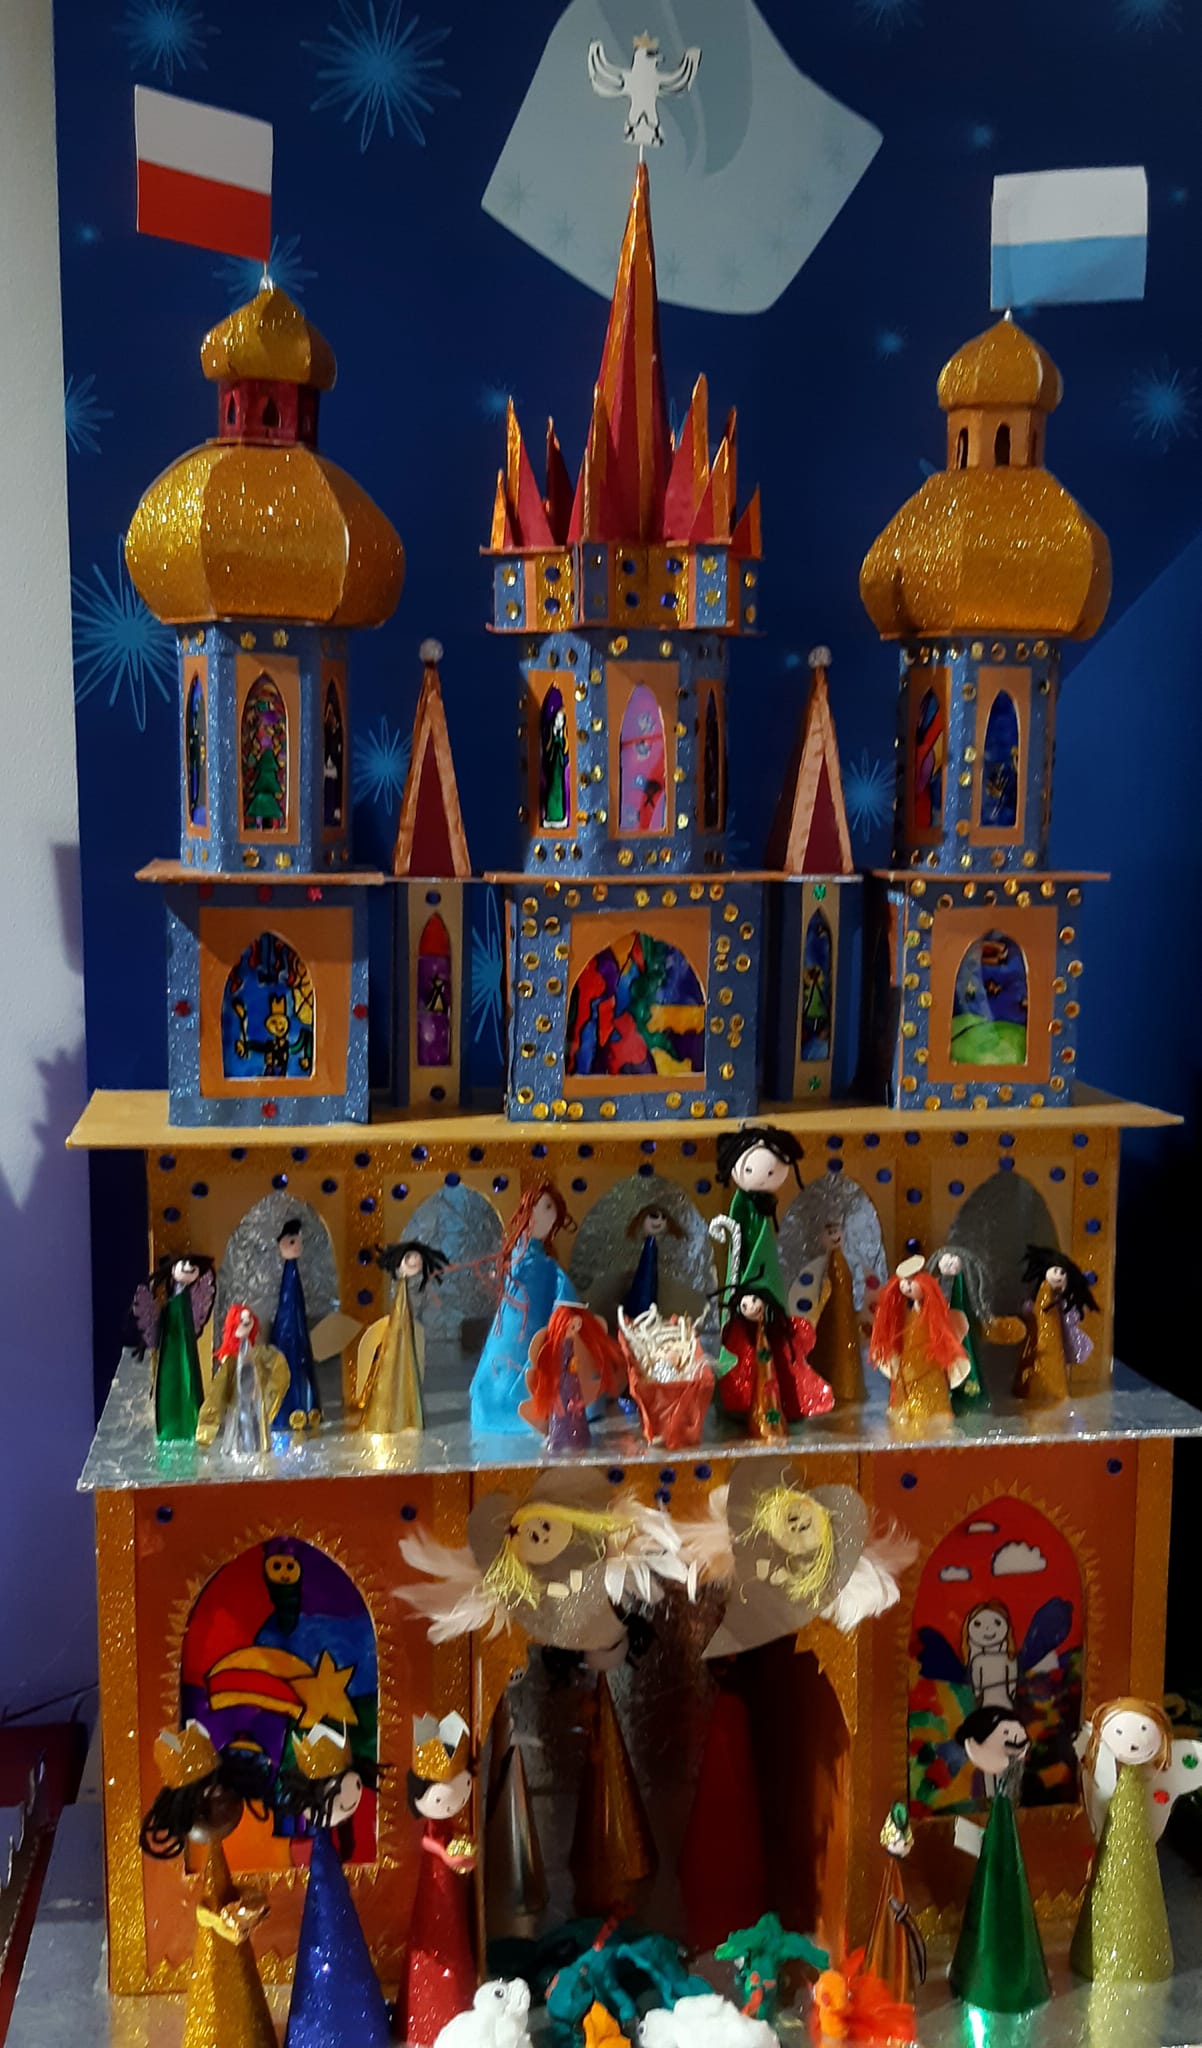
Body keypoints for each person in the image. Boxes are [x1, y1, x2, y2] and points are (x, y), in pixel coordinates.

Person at [948, 1706, 1050, 2014]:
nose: (1016, 1737)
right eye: (1006, 1732)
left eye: (1015, 1730)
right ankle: (986, 1979)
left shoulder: (1011, 1787)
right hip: (980, 1977)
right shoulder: (994, 1788)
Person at [469, 1184, 575, 1433]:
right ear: (527, 1210)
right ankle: (506, 1401)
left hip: (534, 1327)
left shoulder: (544, 1264)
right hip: (513, 1330)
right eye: (537, 1207)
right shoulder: (522, 1257)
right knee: (508, 1361)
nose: (542, 1215)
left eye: (549, 1208)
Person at [400, 1713, 477, 2047]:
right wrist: (445, 1855)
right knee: (434, 1932)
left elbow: (452, 1831)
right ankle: (427, 2014)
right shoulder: (431, 1825)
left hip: (448, 1879)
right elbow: (426, 1840)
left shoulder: (449, 1822)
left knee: (455, 1927)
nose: (454, 1802)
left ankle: (458, 2001)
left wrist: (464, 1849)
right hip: (435, 1877)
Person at [352, 1240, 447, 1434]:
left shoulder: (411, 1292)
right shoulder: (399, 1292)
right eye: (410, 1257)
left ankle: (408, 1414)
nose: (415, 1260)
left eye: (418, 1257)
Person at [869, 1257, 970, 1427]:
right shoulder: (907, 1317)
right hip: (907, 1373)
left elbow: (948, 1320)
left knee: (931, 1413)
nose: (906, 1286)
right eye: (903, 1282)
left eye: (911, 1282)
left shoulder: (932, 1316)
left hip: (929, 1373)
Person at [196, 1304, 290, 1456]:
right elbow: (217, 1393)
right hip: (237, 1407)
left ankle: (258, 1446)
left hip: (256, 1405)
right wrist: (206, 1430)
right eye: (241, 1320)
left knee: (256, 1429)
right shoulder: (231, 1362)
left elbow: (279, 1369)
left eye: (248, 1319)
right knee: (238, 1428)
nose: (246, 1322)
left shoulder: (259, 1354)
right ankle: (237, 1447)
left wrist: (269, 1399)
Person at [270, 1218, 321, 1430]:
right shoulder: (287, 1280)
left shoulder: (293, 1277)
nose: (298, 1246)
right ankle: (289, 1408)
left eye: (299, 1241)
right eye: (292, 1242)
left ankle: (305, 1405)